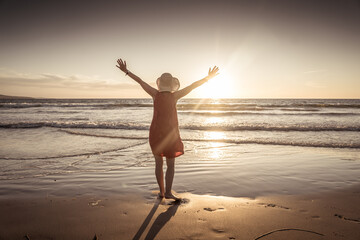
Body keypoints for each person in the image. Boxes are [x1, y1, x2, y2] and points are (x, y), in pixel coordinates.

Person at [116, 59, 219, 200]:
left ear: (160, 84)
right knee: (170, 165)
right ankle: (168, 192)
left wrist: (126, 71)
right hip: (171, 134)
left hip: (156, 132)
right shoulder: (175, 95)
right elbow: (193, 86)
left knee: (159, 163)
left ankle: (162, 192)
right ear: (172, 85)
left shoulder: (154, 94)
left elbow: (140, 81)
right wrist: (208, 78)